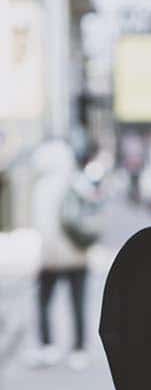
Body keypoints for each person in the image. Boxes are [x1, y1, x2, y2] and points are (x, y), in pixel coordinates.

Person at [25, 139, 94, 371]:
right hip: (78, 254)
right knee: (77, 303)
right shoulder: (78, 181)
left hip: (52, 258)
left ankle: (48, 346)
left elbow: (44, 227)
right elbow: (91, 214)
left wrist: (47, 256)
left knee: (44, 301)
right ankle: (79, 350)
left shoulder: (43, 187)